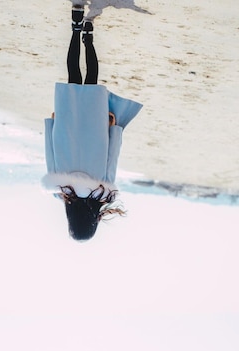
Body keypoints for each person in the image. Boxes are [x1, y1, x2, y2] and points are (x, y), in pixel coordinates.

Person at [43, 4, 143, 241]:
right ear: (71, 220)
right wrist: (51, 124)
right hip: (65, 132)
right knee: (73, 77)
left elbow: (112, 157)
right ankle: (77, 25)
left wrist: (113, 128)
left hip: (96, 133)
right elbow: (49, 154)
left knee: (91, 80)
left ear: (92, 222)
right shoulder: (61, 190)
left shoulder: (103, 191)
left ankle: (88, 34)